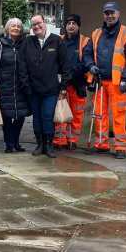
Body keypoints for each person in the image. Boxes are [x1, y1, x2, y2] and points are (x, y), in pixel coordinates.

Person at [89, 1, 126, 159]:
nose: (109, 16)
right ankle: (101, 144)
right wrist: (91, 66)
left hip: (117, 83)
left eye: (112, 13)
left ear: (118, 13)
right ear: (103, 15)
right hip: (99, 82)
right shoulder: (96, 33)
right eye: (107, 13)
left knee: (119, 114)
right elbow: (87, 54)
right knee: (99, 114)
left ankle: (120, 147)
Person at [23, 15, 70, 158]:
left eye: (39, 23)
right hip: (33, 89)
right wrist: (26, 85)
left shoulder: (57, 41)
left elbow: (65, 65)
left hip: (51, 89)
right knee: (37, 118)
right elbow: (22, 65)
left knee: (47, 116)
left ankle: (49, 145)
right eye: (33, 25)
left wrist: (63, 87)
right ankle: (40, 145)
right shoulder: (28, 42)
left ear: (45, 23)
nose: (36, 26)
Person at [0, 18, 30, 153]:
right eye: (13, 26)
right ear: (7, 28)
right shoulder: (0, 45)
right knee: (7, 116)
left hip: (21, 86)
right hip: (4, 86)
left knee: (20, 115)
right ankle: (9, 143)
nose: (16, 28)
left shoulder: (24, 44)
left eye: (19, 26)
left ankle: (16, 142)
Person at [54, 14, 93, 151]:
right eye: (69, 23)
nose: (71, 25)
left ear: (78, 26)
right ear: (65, 26)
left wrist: (71, 75)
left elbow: (86, 61)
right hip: (62, 84)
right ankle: (60, 140)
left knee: (77, 114)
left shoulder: (85, 41)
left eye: (74, 23)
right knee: (61, 111)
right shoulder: (59, 40)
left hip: (78, 83)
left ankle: (72, 140)